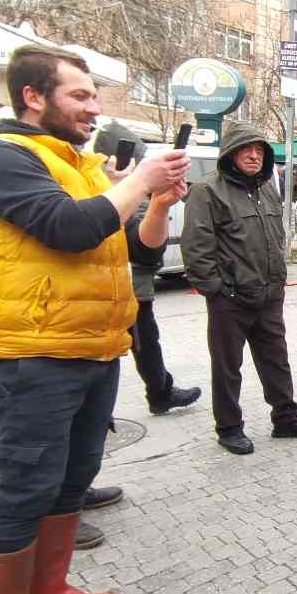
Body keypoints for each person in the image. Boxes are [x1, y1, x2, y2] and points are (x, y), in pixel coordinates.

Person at [0, 44, 189, 594]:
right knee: (26, 486)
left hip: (94, 346)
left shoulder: (76, 164)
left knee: (73, 480)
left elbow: (139, 250)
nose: (92, 108)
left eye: (93, 96)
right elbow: (70, 229)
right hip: (31, 353)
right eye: (79, 95)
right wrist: (139, 178)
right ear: (34, 96)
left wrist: (156, 204)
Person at [183, 123, 297, 456]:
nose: (254, 155)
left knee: (277, 360)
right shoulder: (208, 191)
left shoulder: (266, 189)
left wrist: (278, 279)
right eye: (246, 149)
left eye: (260, 150)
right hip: (230, 300)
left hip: (269, 295)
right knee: (227, 366)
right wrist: (217, 289)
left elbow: (275, 237)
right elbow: (197, 247)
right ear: (231, 153)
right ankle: (229, 427)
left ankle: (286, 418)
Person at [91, 123, 203, 416]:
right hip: (100, 291)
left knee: (146, 343)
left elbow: (145, 247)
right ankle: (156, 392)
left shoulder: (137, 190)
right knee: (133, 346)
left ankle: (160, 391)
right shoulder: (91, 186)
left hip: (133, 284)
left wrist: (159, 205)